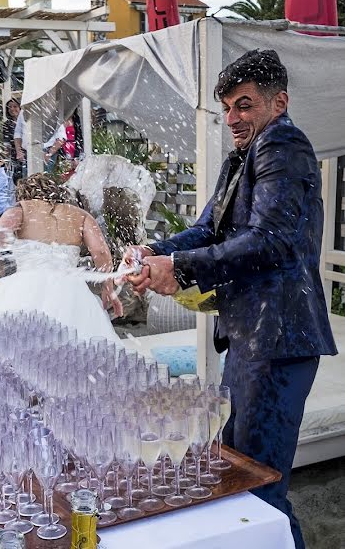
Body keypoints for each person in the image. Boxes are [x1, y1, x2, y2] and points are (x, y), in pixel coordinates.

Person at [123, 49, 335, 549]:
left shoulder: (281, 144)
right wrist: (156, 251)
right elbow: (205, 230)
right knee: (243, 473)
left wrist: (177, 268)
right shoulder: (243, 155)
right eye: (227, 108)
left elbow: (272, 240)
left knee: (259, 485)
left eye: (244, 106)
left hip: (278, 340)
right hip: (250, 337)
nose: (233, 119)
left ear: (278, 102)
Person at [0, 173, 122, 340]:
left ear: (23, 193)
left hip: (23, 290)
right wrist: (108, 287)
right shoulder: (81, 215)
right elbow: (100, 252)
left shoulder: (21, 209)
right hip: (71, 294)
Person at [3, 98, 24, 183]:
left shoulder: (25, 122)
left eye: (15, 106)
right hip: (15, 155)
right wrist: (6, 158)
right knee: (18, 179)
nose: (12, 109)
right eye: (9, 107)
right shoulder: (7, 124)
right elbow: (6, 142)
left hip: (26, 152)